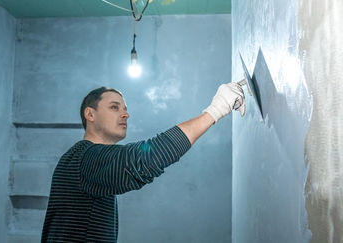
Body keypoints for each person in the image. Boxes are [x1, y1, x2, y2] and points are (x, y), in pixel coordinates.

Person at [41, 83, 245, 242]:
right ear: (90, 114)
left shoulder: (81, 159)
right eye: (114, 107)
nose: (125, 114)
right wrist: (216, 110)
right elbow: (143, 160)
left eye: (125, 108)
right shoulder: (85, 158)